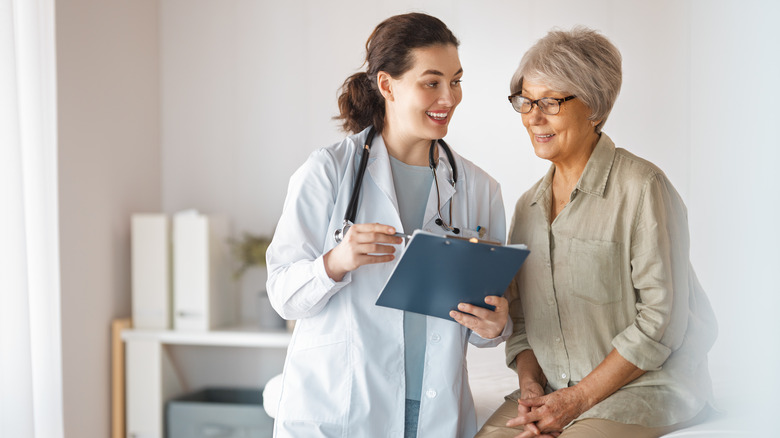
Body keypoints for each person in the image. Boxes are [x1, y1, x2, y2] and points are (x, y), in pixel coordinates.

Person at [265, 12, 510, 438]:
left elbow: (485, 328)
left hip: (433, 409)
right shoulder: (328, 172)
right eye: (431, 82)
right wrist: (335, 262)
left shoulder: (480, 190)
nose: (448, 98)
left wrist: (496, 326)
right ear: (386, 85)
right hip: (344, 407)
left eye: (456, 81)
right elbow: (283, 295)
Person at [476, 27, 718, 438]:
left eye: (550, 102)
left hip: (646, 389)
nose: (533, 117)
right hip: (555, 390)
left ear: (595, 108)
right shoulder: (527, 208)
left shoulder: (643, 188)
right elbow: (520, 318)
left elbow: (660, 323)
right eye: (526, 102)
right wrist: (533, 388)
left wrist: (576, 401)